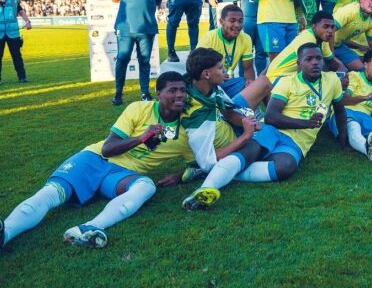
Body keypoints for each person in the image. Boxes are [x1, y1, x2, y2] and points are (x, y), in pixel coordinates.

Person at [0, 71, 254, 249]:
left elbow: (201, 162)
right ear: (158, 93)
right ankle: (6, 232)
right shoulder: (138, 109)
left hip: (123, 177)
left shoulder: (188, 130)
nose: (179, 96)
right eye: (172, 91)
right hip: (94, 159)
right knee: (51, 193)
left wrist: (180, 176)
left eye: (182, 92)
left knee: (147, 187)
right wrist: (143, 137)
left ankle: (88, 228)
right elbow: (110, 148)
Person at [182, 43, 348, 209]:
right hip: (273, 130)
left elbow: (340, 111)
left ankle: (222, 171)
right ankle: (205, 189)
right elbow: (270, 117)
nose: (315, 62)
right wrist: (306, 123)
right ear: (299, 63)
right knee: (250, 152)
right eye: (309, 59)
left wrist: (344, 142)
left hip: (297, 141)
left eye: (319, 58)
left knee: (285, 168)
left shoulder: (332, 80)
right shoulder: (288, 83)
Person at [252, 11, 345, 104]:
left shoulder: (322, 39)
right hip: (278, 78)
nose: (330, 31)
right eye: (325, 27)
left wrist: (342, 71)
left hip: (290, 76)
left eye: (332, 27)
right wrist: (335, 80)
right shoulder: (308, 39)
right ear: (314, 26)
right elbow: (305, 74)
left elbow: (333, 62)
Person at [110, 0, 164, 105]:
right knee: (122, 59)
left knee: (145, 61)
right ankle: (118, 93)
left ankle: (145, 93)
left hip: (147, 28)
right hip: (125, 28)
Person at [196, 5, 255, 97]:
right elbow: (196, 67)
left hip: (226, 82)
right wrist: (216, 76)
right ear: (221, 22)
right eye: (232, 21)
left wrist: (251, 85)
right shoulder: (209, 37)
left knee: (260, 83)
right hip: (208, 84)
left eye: (240, 21)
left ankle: (257, 109)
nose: (237, 25)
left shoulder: (246, 38)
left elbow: (248, 68)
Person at [0, 0, 32, 84]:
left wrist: (28, 22)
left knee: (17, 56)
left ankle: (22, 77)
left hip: (13, 33)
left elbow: (22, 12)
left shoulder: (13, 1)